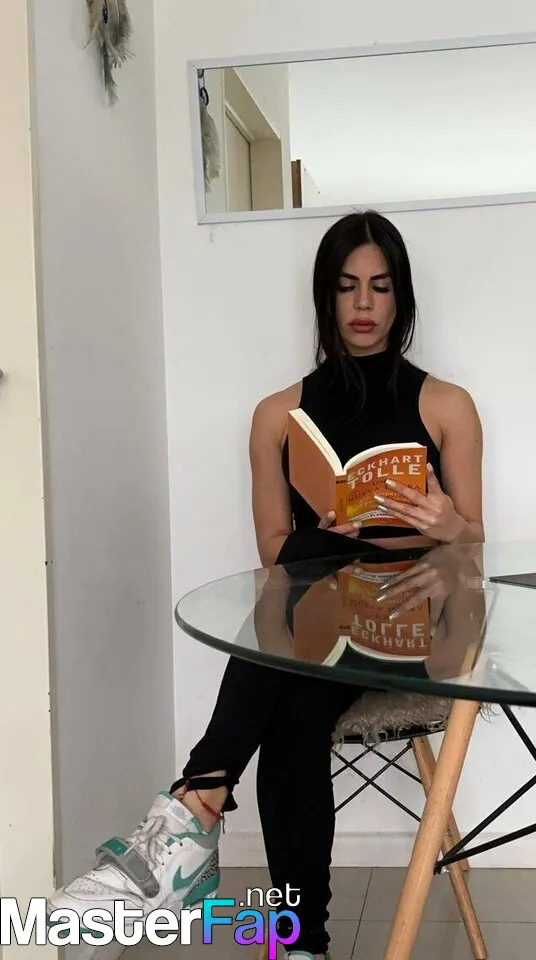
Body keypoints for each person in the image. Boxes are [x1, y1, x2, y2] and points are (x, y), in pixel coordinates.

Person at [47, 210, 484, 960]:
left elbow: (475, 551)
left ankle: (191, 818)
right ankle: (296, 937)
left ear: (402, 298)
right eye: (347, 286)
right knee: (295, 700)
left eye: (381, 287)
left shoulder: (447, 405)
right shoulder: (278, 416)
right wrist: (337, 536)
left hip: (416, 630)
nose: (364, 304)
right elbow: (274, 554)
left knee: (292, 657)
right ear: (325, 297)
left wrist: (448, 523)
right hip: (321, 633)